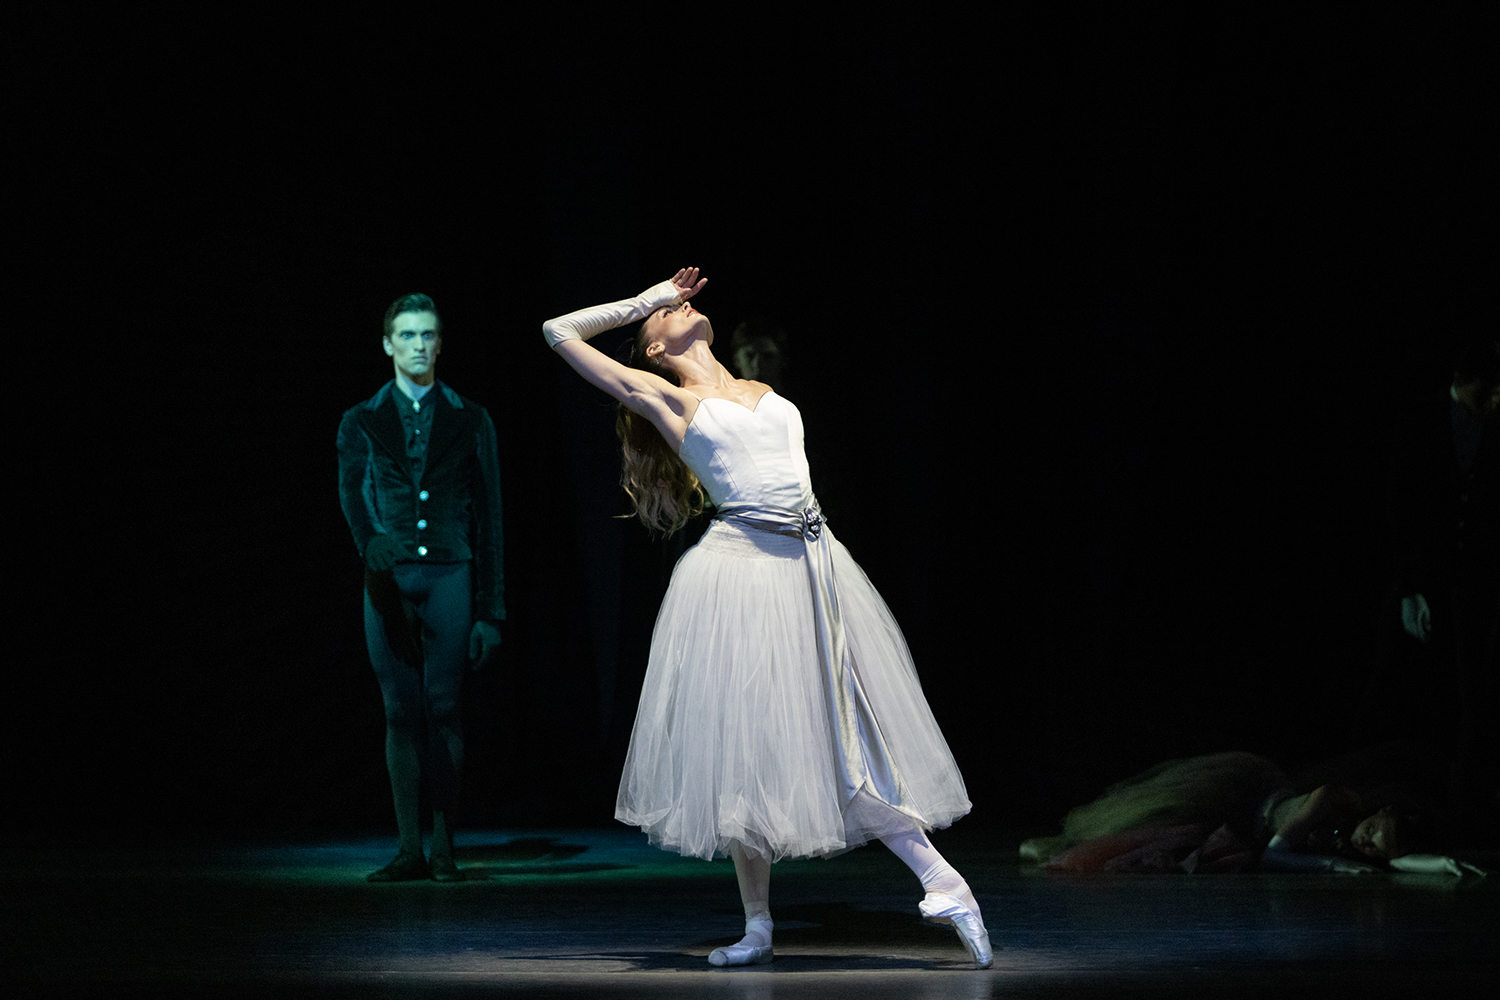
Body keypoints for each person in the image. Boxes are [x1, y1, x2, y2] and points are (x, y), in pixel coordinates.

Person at [542, 268, 989, 969]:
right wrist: (645, 302)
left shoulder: (764, 391)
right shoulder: (667, 397)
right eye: (668, 314)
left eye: (684, 302)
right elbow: (558, 332)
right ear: (654, 348)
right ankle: (758, 925)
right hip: (742, 576)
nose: (684, 305)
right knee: (746, 752)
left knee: (848, 736)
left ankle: (942, 880)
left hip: (814, 568)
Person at [338, 293, 505, 882]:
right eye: (406, 335)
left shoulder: (470, 417)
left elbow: (489, 516)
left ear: (439, 343)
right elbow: (352, 490)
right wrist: (370, 541)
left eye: (426, 335)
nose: (417, 344)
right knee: (399, 710)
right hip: (390, 577)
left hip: (449, 575)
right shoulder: (362, 419)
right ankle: (410, 847)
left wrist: (491, 610)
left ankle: (444, 847)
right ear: (387, 343)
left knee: (443, 707)